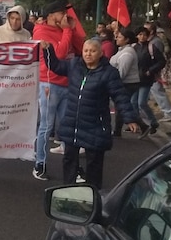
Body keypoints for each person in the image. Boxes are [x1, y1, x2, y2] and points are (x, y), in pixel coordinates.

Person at [39, 39, 138, 189]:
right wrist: (48, 50)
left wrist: (129, 118)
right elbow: (56, 66)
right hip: (73, 123)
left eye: (92, 51)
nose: (88, 54)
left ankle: (93, 195)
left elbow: (120, 96)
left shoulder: (109, 73)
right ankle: (67, 192)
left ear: (100, 53)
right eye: (85, 50)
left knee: (94, 164)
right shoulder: (74, 65)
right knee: (69, 160)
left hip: (95, 125)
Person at [31, 0, 78, 180]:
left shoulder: (63, 29)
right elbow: (58, 54)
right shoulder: (41, 31)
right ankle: (40, 164)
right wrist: (67, 30)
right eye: (61, 13)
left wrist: (70, 29)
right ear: (51, 15)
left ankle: (72, 168)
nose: (65, 17)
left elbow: (76, 47)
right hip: (49, 84)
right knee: (46, 126)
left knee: (67, 126)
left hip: (67, 82)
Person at [133, 27, 165, 136]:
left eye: (144, 35)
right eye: (140, 34)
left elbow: (161, 61)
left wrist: (150, 70)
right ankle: (138, 124)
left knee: (141, 102)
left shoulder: (151, 47)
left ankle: (153, 122)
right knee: (133, 102)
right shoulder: (134, 47)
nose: (142, 37)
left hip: (146, 79)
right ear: (137, 35)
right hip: (135, 79)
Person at [109, 29, 142, 136]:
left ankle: (142, 125)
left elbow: (122, 72)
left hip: (128, 83)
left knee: (122, 105)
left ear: (127, 39)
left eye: (119, 37)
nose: (117, 39)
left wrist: (114, 82)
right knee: (121, 105)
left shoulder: (127, 53)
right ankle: (118, 130)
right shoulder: (122, 50)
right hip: (125, 83)